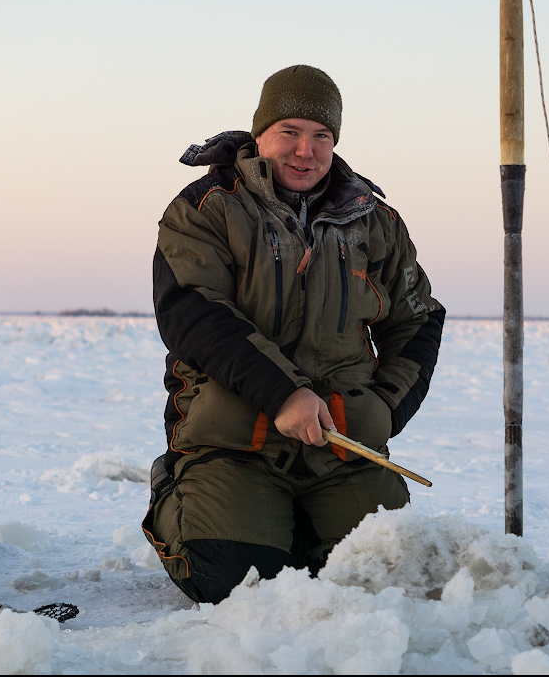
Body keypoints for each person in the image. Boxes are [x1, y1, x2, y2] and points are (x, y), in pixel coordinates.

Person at [143, 65, 445, 603]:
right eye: (290, 132)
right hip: (234, 442)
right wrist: (284, 394)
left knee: (390, 575)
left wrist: (382, 410)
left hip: (341, 448)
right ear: (261, 134)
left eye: (321, 136)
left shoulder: (375, 219)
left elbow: (417, 318)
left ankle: (294, 527)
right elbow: (191, 311)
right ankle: (181, 489)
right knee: (234, 583)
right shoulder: (206, 207)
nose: (306, 151)